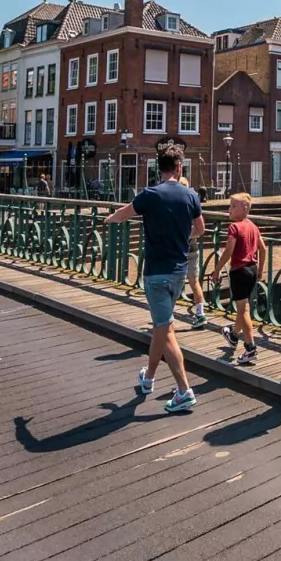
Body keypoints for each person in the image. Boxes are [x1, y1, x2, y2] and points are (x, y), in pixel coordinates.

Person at [103, 147, 204, 413]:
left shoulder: (150, 195)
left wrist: (110, 218)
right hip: (179, 272)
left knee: (164, 329)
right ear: (180, 168)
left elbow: (124, 213)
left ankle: (184, 390)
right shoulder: (191, 195)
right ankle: (148, 378)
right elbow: (201, 229)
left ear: (159, 169)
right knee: (164, 327)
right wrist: (182, 238)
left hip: (156, 271)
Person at [213, 193, 267, 366]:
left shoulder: (234, 228)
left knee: (243, 310)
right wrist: (260, 271)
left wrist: (217, 270)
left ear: (244, 208)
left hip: (239, 271)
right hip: (252, 269)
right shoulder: (253, 226)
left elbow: (229, 251)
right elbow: (263, 250)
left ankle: (250, 347)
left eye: (233, 206)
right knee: (244, 305)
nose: (229, 209)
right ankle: (234, 335)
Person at [175, 170, 209, 329]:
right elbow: (200, 228)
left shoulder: (175, 205)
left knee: (173, 281)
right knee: (194, 282)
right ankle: (201, 313)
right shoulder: (192, 203)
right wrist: (190, 235)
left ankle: (166, 314)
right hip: (193, 248)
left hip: (179, 249)